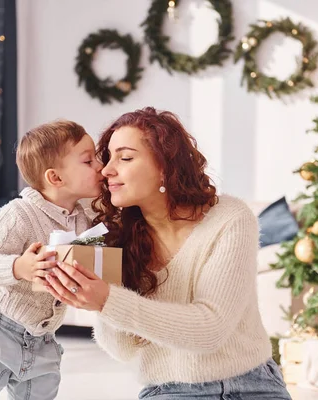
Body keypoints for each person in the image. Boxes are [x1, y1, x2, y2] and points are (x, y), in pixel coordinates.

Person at [44, 107, 292, 399]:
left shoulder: (230, 218)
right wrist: (97, 301)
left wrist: (108, 300)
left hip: (253, 385)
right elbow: (123, 349)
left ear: (165, 165)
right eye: (107, 157)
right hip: (170, 390)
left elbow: (210, 329)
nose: (107, 169)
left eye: (125, 158)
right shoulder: (115, 236)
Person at [0, 120, 103, 399]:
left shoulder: (84, 218)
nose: (100, 166)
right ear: (55, 178)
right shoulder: (18, 214)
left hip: (43, 337)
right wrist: (19, 267)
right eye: (89, 160)